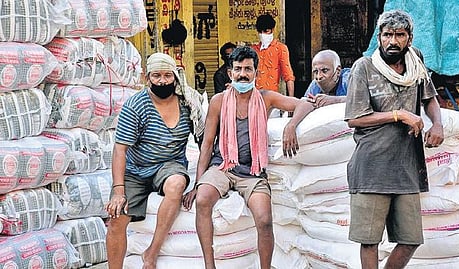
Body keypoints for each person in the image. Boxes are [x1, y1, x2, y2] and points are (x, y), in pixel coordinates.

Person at [184, 46, 316, 269]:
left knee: (265, 220)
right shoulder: (218, 101)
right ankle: (209, 265)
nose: (242, 74)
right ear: (230, 73)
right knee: (203, 199)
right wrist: (198, 183)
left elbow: (305, 104)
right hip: (223, 166)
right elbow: (206, 146)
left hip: (253, 172)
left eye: (248, 69)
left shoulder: (266, 98)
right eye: (238, 69)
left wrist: (291, 125)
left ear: (256, 73)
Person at [344, 10, 444, 268]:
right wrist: (399, 115)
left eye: (399, 35)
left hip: (406, 167)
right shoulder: (363, 68)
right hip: (371, 168)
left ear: (409, 38)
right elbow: (355, 118)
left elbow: (429, 97)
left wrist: (438, 124)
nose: (392, 41)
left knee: (411, 239)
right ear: (379, 37)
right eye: (387, 34)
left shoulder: (415, 61)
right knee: (369, 240)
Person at [104, 52, 205, 269]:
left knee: (177, 184)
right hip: (136, 169)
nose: (162, 81)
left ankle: (152, 252)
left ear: (176, 77)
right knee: (116, 220)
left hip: (170, 165)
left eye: (167, 76)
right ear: (147, 78)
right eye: (156, 76)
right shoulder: (136, 106)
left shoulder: (188, 102)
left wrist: (199, 184)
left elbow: (204, 144)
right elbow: (120, 150)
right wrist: (119, 191)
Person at [252, 14, 295, 97]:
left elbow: (288, 76)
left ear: (272, 29)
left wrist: (291, 100)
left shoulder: (280, 48)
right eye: (260, 32)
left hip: (272, 98)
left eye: (266, 31)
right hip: (253, 97)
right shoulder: (253, 50)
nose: (263, 34)